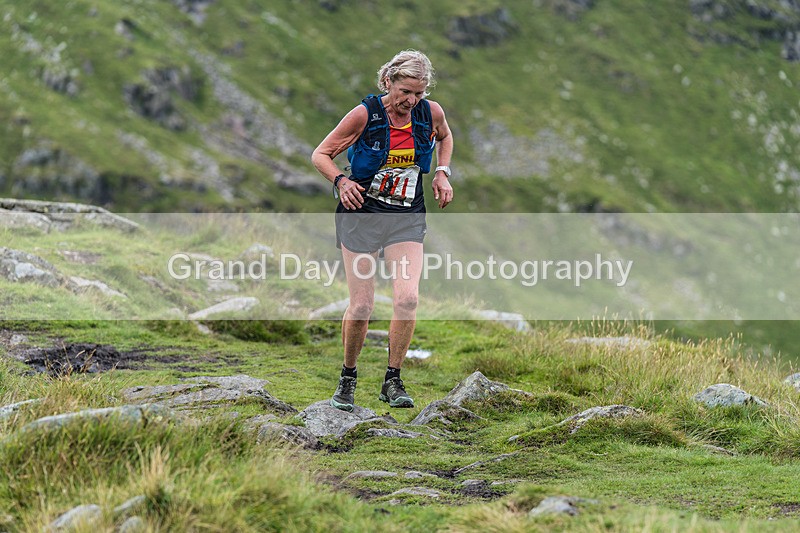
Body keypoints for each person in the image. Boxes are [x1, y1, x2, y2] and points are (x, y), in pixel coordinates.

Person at [311, 49, 454, 411]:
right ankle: (348, 377)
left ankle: (393, 380)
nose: (411, 100)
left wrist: (442, 172)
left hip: (406, 216)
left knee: (407, 299)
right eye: (405, 91)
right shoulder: (364, 115)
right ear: (388, 81)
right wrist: (341, 181)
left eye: (419, 93)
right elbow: (321, 154)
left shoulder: (429, 112)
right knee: (361, 306)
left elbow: (445, 137)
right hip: (360, 214)